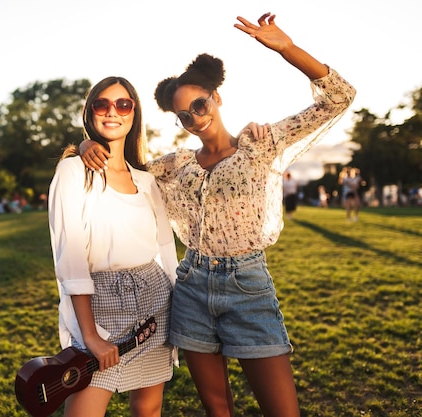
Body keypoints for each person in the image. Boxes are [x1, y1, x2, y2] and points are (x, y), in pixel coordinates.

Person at [80, 12, 356, 417]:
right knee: (217, 409)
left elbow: (339, 98)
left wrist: (287, 49)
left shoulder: (258, 145)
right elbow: (123, 170)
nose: (194, 117)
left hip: (248, 287)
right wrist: (85, 144)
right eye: (183, 115)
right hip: (191, 289)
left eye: (199, 104)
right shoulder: (175, 165)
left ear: (217, 97)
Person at [48, 76, 179, 417]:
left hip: (154, 302)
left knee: (148, 410)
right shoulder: (73, 171)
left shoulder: (146, 180)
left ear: (134, 113)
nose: (112, 112)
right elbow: (70, 256)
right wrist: (90, 336)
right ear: (90, 113)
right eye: (102, 104)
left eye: (123, 104)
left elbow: (165, 250)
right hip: (100, 302)